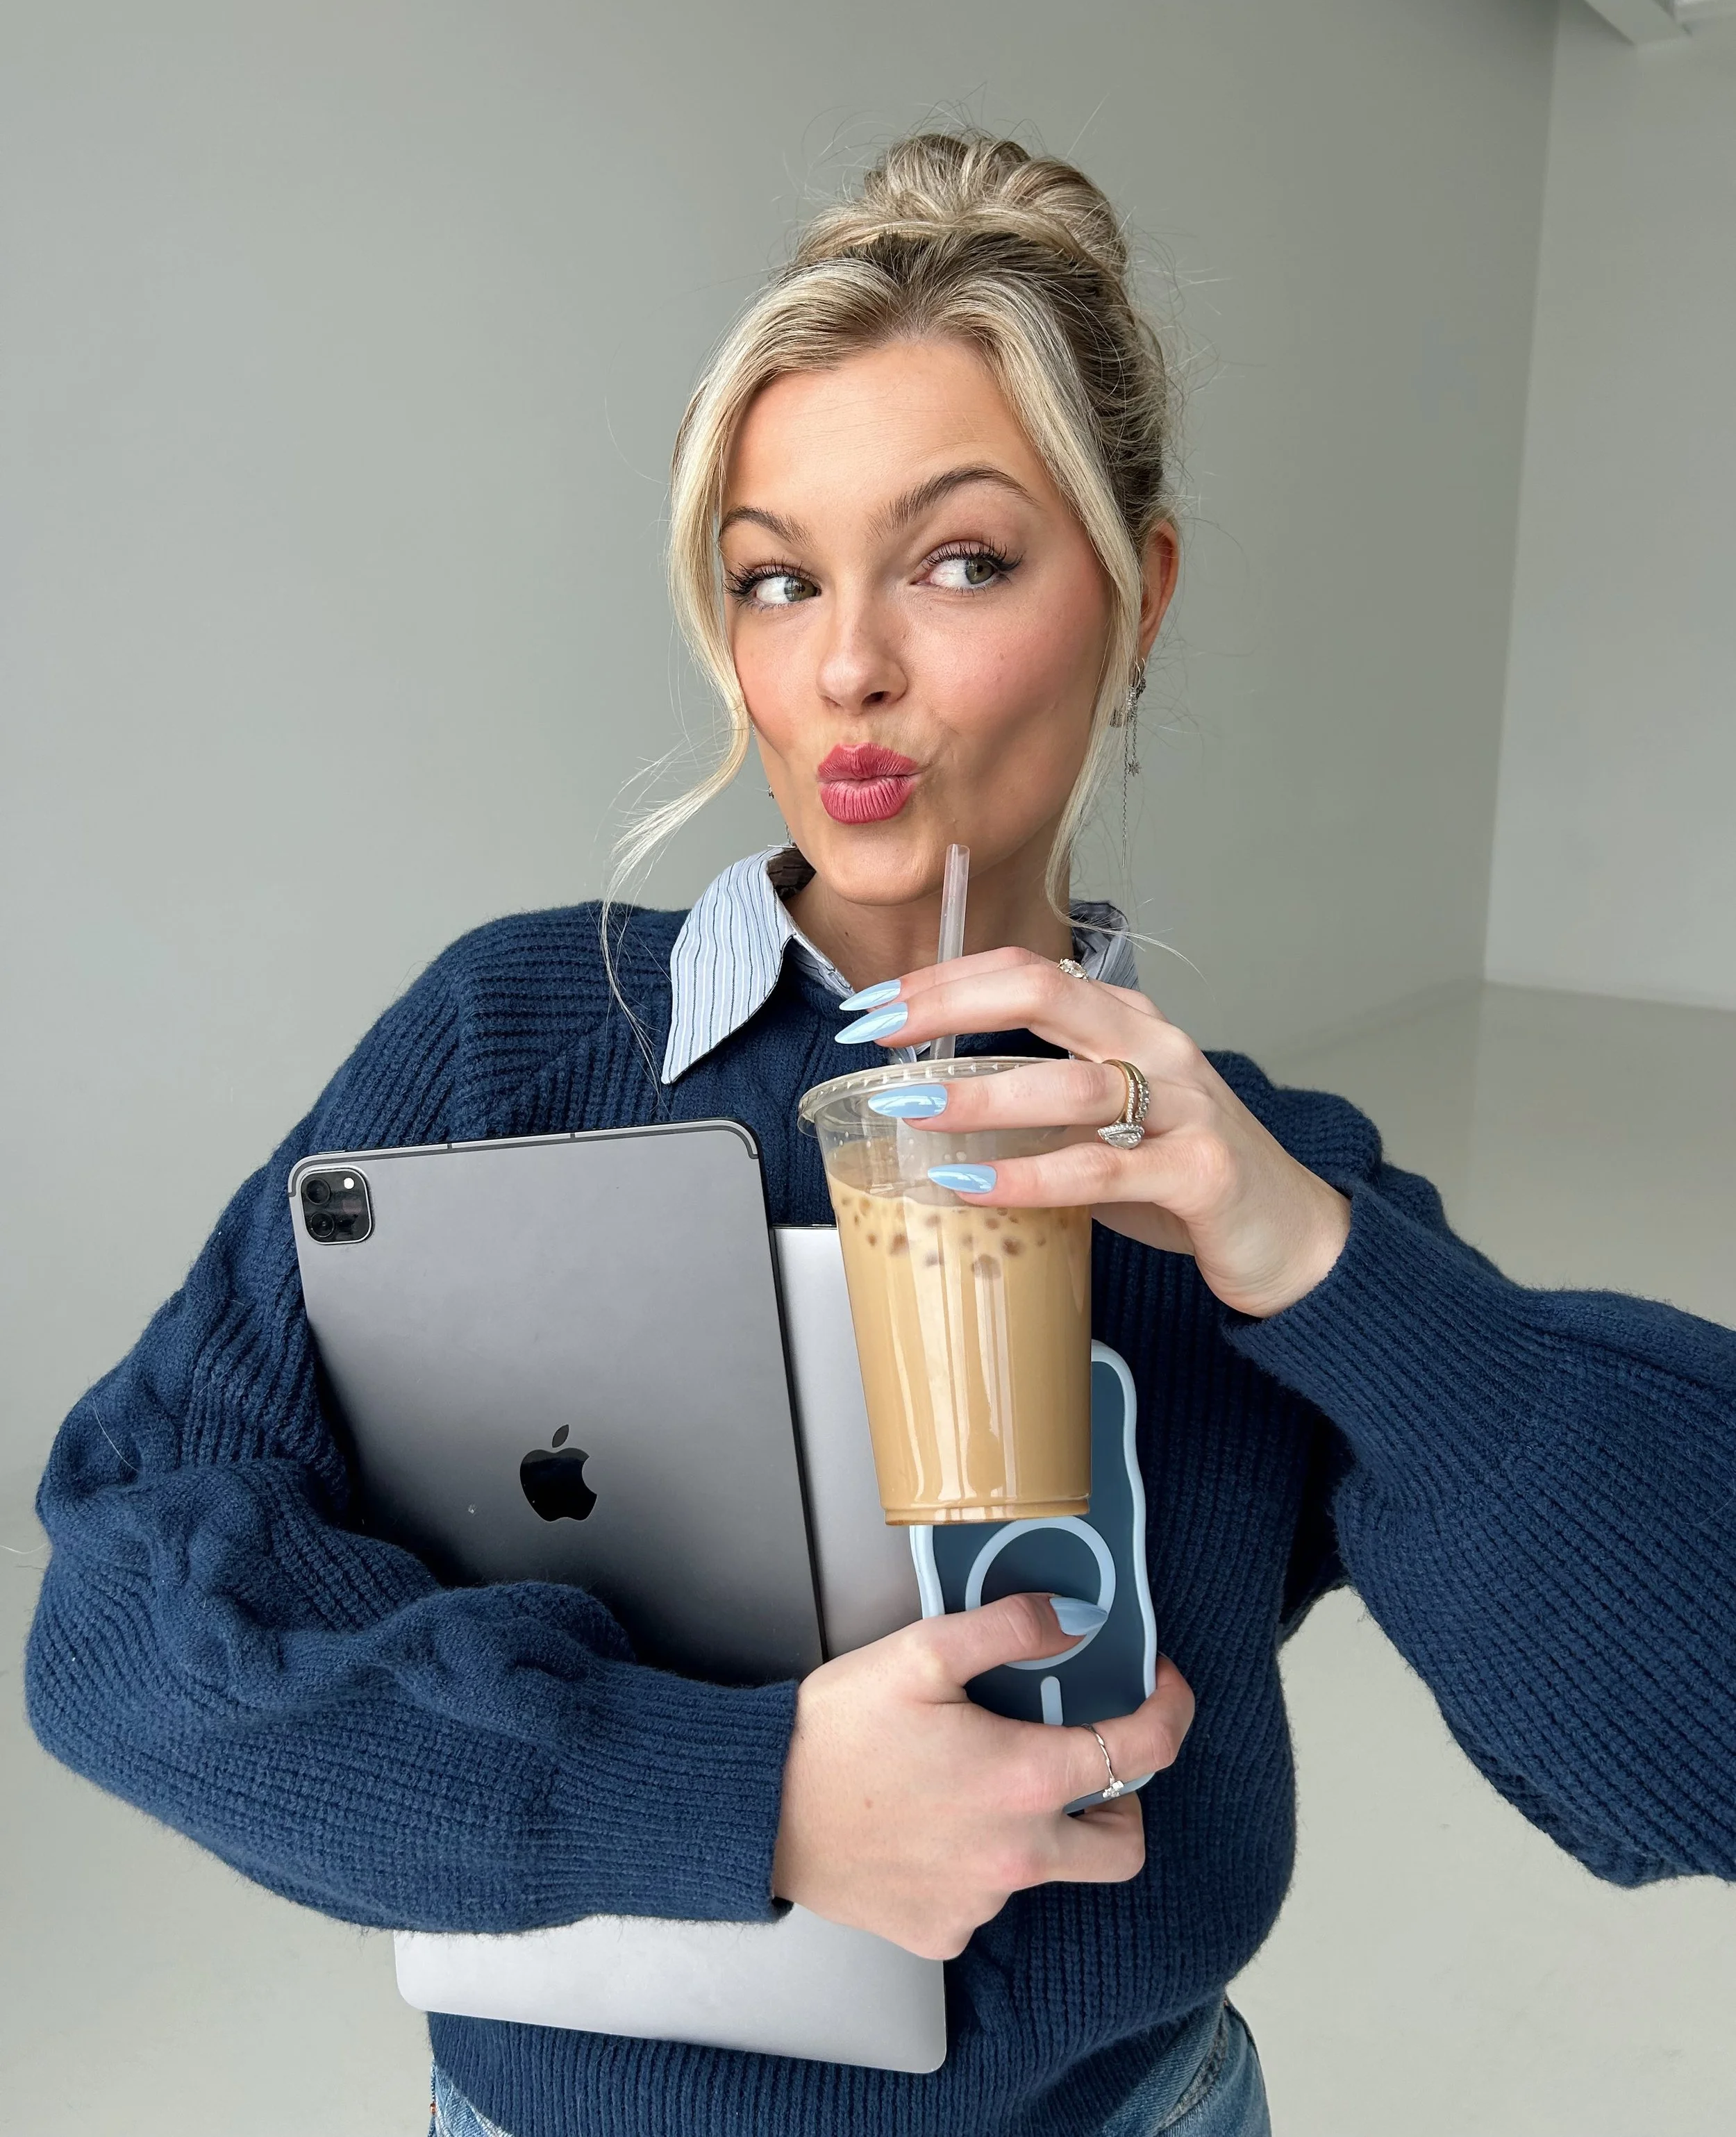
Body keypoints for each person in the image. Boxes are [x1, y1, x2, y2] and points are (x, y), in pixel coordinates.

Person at [26, 133, 1736, 2137]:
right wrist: (738, 1797)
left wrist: (1319, 1261)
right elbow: (124, 1629)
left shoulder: (1253, 1175)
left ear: (1136, 588)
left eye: (958, 559)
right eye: (774, 576)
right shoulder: (510, 1047)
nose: (844, 663)